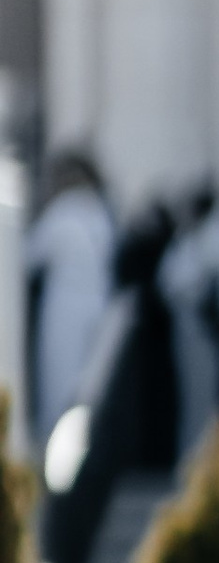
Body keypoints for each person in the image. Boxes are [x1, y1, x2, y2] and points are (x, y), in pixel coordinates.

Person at [24, 150, 117, 454]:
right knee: (88, 384)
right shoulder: (101, 211)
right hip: (98, 307)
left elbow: (29, 256)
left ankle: (57, 453)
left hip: (66, 310)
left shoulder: (62, 211)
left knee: (60, 381)